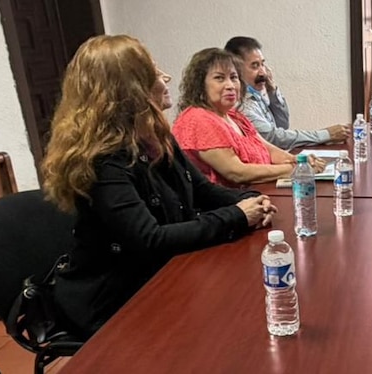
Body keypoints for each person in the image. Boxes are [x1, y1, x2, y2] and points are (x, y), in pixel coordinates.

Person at [41, 35, 277, 337]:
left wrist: (253, 200)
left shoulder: (154, 137)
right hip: (118, 301)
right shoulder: (104, 160)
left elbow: (203, 190)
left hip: (164, 273)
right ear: (129, 89)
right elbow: (150, 239)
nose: (165, 78)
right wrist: (237, 216)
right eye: (154, 72)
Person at [172, 48, 325, 187]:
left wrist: (300, 161)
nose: (230, 85)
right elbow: (237, 173)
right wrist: (294, 169)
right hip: (225, 209)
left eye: (234, 77)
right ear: (200, 85)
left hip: (258, 195)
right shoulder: (198, 119)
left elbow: (269, 150)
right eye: (219, 78)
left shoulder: (234, 116)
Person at [224, 36, 349, 149]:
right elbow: (274, 138)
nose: (263, 72)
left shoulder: (254, 96)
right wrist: (325, 135)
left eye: (263, 64)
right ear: (236, 70)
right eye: (255, 66)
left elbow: (282, 124)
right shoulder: (240, 106)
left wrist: (272, 92)